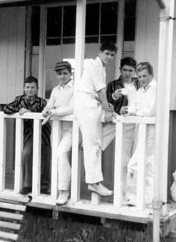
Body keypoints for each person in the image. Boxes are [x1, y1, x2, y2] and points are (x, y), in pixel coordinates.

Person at [74, 42, 115, 197]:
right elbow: (99, 90)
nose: (109, 57)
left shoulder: (101, 67)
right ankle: (93, 182)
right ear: (100, 52)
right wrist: (106, 106)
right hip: (86, 105)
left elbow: (100, 93)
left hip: (93, 104)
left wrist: (106, 106)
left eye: (112, 55)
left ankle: (89, 142)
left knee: (114, 122)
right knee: (92, 146)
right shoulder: (94, 65)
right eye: (107, 53)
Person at [4, 76, 51, 195]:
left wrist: (30, 113)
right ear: (24, 88)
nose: (30, 90)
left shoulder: (42, 102)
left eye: (33, 87)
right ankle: (28, 185)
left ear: (37, 88)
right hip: (29, 134)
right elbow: (6, 108)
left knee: (44, 157)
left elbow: (44, 116)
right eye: (27, 87)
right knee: (26, 154)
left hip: (42, 132)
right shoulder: (19, 99)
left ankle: (44, 186)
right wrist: (20, 109)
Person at [102, 57, 139, 202]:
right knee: (124, 161)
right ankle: (122, 196)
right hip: (122, 125)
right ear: (120, 70)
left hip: (136, 124)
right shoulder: (113, 85)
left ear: (134, 71)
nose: (127, 73)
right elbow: (108, 105)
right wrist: (114, 97)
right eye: (125, 70)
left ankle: (134, 195)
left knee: (135, 162)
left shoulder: (138, 84)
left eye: (130, 70)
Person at [42, 61, 74, 206]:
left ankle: (64, 190)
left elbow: (71, 109)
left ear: (70, 73)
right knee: (56, 157)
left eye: (65, 73)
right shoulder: (55, 90)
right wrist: (46, 110)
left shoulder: (75, 89)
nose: (62, 76)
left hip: (71, 129)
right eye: (60, 74)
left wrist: (53, 112)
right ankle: (56, 188)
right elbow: (50, 104)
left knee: (61, 154)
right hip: (56, 128)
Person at [126, 62, 157, 207]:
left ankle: (134, 198)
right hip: (140, 130)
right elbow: (134, 106)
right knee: (146, 164)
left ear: (151, 75)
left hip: (151, 131)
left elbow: (150, 111)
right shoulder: (140, 91)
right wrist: (127, 110)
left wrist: (134, 112)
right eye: (139, 77)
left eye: (145, 76)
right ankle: (145, 199)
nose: (142, 79)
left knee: (136, 164)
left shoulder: (155, 89)